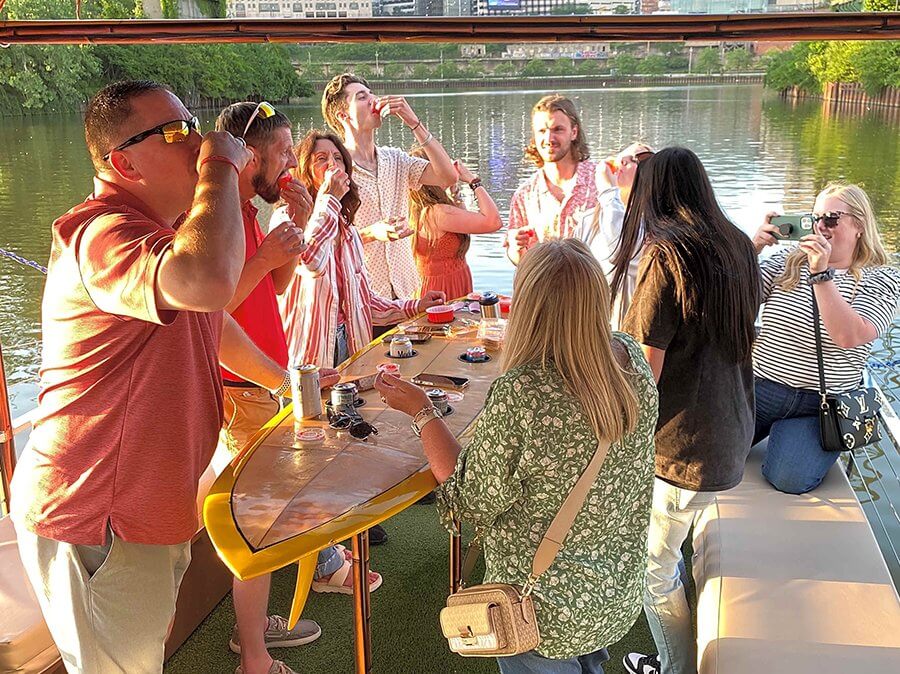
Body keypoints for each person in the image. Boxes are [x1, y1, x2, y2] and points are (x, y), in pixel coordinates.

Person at [9, 80, 307, 674]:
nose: (196, 140)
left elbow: (212, 324)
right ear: (124, 163)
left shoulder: (164, 236)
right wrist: (221, 164)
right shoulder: (101, 234)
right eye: (174, 132)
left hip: (146, 508)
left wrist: (286, 384)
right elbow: (209, 283)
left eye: (194, 125)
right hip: (100, 515)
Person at [376, 238, 659, 674]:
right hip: (612, 589)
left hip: (537, 610)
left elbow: (468, 498)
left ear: (528, 304)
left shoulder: (524, 392)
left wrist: (422, 411)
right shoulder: (630, 360)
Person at [213, 102, 375, 674]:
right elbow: (208, 312)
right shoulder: (216, 218)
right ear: (249, 155)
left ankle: (260, 624)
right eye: (283, 152)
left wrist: (295, 227)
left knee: (273, 506)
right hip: (241, 387)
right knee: (257, 523)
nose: (290, 162)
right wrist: (262, 256)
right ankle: (253, 655)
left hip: (266, 378)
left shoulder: (249, 209)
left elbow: (278, 285)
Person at [620, 147, 761, 674]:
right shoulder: (738, 245)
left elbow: (643, 369)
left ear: (653, 194)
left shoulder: (667, 256)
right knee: (678, 545)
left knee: (652, 572)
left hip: (682, 449)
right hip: (732, 431)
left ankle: (675, 667)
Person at [751, 183, 900, 494]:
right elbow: (730, 302)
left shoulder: (881, 277)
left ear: (860, 225)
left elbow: (849, 335)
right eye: (814, 218)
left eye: (831, 219)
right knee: (705, 454)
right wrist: (751, 249)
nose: (820, 227)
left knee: (789, 479)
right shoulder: (788, 261)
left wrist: (821, 274)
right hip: (760, 390)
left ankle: (793, 439)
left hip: (821, 404)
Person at [275, 129, 446, 370]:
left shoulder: (348, 230)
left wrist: (416, 305)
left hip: (351, 344)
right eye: (321, 159)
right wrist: (329, 198)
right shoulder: (287, 217)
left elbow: (365, 302)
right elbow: (311, 261)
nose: (332, 165)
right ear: (305, 171)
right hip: (309, 355)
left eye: (338, 158)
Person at [321, 73, 456, 323]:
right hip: (363, 298)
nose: (374, 100)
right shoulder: (336, 169)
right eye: (362, 97)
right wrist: (372, 233)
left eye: (371, 93)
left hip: (406, 292)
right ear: (343, 115)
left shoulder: (395, 159)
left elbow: (448, 177)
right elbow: (325, 241)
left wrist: (414, 123)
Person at [506, 94, 599, 266]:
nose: (549, 139)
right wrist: (516, 247)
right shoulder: (524, 195)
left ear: (574, 132)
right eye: (542, 131)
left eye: (558, 129)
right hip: (546, 282)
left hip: (594, 281)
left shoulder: (602, 182)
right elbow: (519, 260)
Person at [408, 148, 502, 299]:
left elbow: (464, 228)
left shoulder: (417, 209)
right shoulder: (438, 213)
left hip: (434, 284)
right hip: (445, 287)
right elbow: (493, 221)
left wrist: (454, 193)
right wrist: (473, 181)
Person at [578, 143, 654, 329]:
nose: (622, 162)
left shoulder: (654, 224)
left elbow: (621, 250)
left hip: (631, 331)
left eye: (634, 160)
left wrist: (607, 190)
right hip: (591, 327)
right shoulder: (589, 219)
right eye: (620, 158)